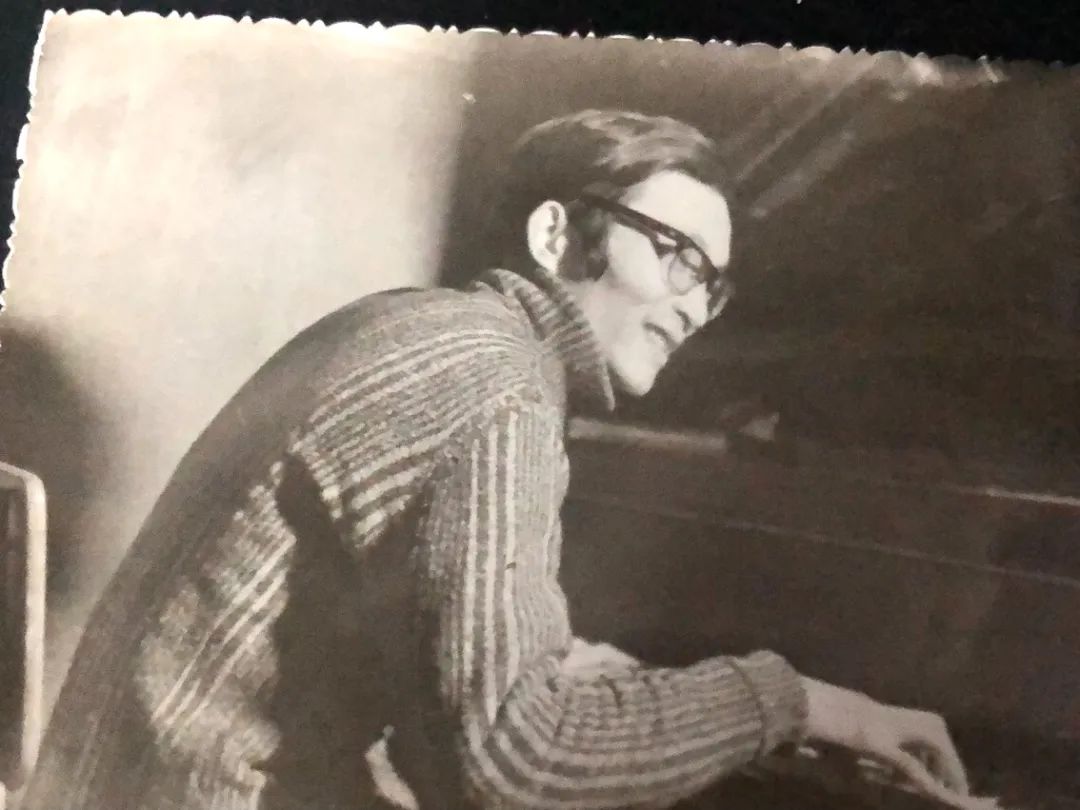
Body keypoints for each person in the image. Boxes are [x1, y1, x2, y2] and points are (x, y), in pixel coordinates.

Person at [20, 109, 973, 810]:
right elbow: (515, 763)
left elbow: (437, 670)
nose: (694, 304)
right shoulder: (498, 382)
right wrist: (799, 703)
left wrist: (583, 673)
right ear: (556, 235)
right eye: (678, 254)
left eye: (714, 285)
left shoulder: (421, 324)